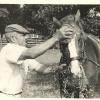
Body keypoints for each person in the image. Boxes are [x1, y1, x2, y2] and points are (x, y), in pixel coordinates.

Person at [0, 24, 74, 97]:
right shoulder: (9, 49)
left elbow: (40, 68)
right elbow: (32, 53)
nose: (26, 38)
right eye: (23, 35)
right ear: (13, 38)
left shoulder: (22, 54)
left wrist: (57, 68)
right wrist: (56, 38)